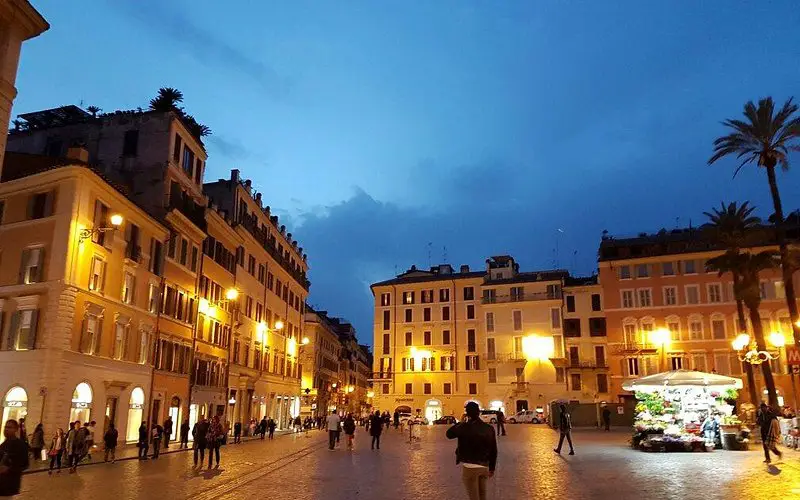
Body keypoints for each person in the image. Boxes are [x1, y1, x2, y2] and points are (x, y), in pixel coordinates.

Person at [446, 402, 497, 500]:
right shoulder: (489, 428)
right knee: (482, 496)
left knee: (474, 497)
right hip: (484, 466)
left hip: (470, 467)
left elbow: (448, 434)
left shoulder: (463, 427)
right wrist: (492, 467)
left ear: (467, 413)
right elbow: (494, 449)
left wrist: (461, 422)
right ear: (478, 412)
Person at [0, 419, 29, 497]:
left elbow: (25, 465)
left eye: (9, 427)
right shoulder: (3, 444)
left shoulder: (21, 445)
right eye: (5, 427)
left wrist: (9, 469)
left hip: (9, 486)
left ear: (16, 429)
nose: (6, 429)